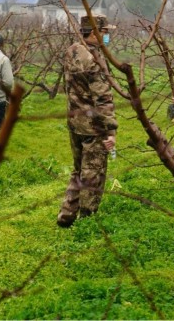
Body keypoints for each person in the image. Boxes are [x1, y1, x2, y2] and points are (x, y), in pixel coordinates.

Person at [57, 15, 118, 228]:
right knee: (93, 173)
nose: (107, 36)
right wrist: (111, 130)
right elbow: (102, 97)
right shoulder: (94, 59)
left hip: (74, 121)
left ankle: (66, 213)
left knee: (78, 170)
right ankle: (86, 221)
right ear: (94, 32)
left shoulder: (72, 51)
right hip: (93, 126)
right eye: (105, 32)